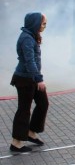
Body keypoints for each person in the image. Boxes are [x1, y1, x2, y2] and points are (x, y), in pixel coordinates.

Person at [9, 12, 49, 153]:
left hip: (32, 77)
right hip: (25, 79)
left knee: (43, 104)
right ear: (35, 23)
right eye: (43, 23)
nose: (45, 26)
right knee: (24, 109)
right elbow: (29, 61)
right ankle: (16, 142)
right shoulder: (27, 38)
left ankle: (31, 132)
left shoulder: (32, 35)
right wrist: (39, 79)